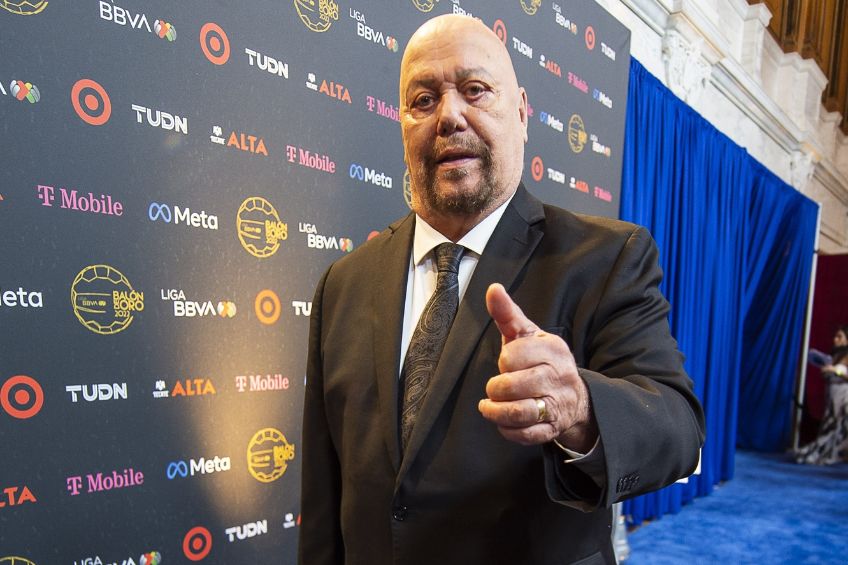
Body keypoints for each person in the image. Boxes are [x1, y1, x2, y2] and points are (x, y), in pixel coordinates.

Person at [299, 14, 705, 565]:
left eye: (474, 90)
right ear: (402, 127)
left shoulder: (607, 257)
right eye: (423, 100)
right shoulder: (343, 284)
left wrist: (581, 409)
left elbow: (678, 430)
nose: (449, 116)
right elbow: (325, 498)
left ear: (520, 112)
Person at [795, 325, 848, 465]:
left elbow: (843, 374)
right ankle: (822, 452)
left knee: (839, 427)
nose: (835, 339)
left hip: (844, 397)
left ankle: (833, 454)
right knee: (830, 426)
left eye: (840, 337)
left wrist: (837, 372)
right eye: (835, 336)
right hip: (832, 396)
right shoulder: (835, 356)